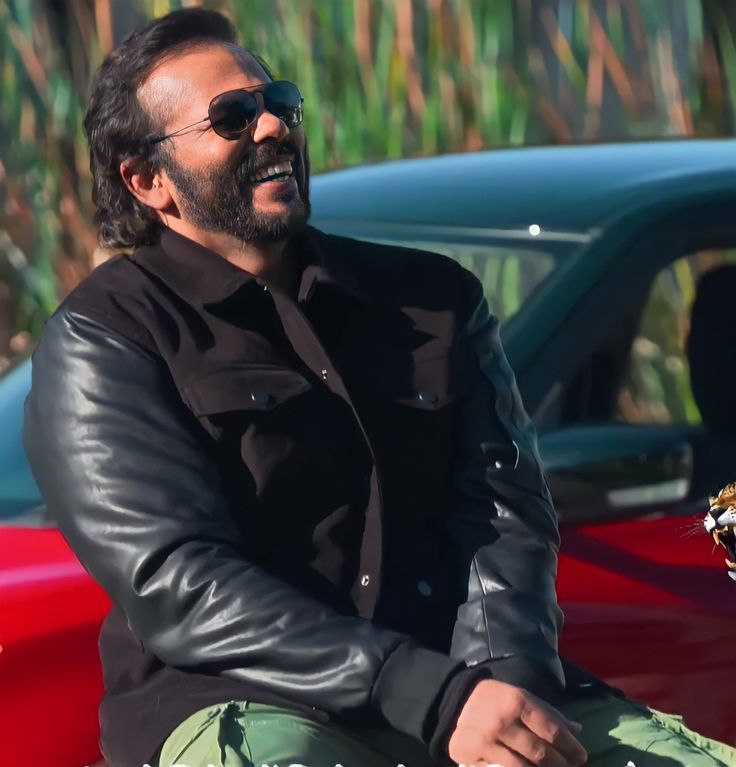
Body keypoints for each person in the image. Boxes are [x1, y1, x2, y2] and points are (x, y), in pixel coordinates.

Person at [23, 9, 736, 767]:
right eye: (232, 117)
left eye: (280, 103)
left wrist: (499, 690)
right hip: (246, 704)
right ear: (149, 180)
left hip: (467, 691)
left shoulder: (433, 300)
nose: (271, 128)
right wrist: (428, 694)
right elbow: (180, 582)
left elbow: (504, 516)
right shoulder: (108, 336)